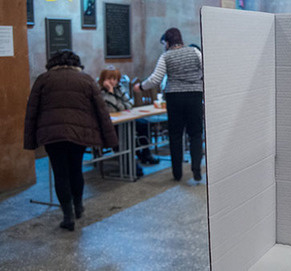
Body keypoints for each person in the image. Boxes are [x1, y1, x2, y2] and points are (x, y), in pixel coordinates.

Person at [24, 50, 118, 231]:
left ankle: (67, 215)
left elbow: (32, 111)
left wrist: (30, 139)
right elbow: (101, 111)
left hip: (52, 134)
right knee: (76, 169)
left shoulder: (43, 80)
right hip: (79, 134)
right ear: (77, 63)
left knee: (60, 173)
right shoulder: (86, 79)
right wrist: (110, 139)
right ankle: (79, 206)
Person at [134, 27, 203, 181]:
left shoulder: (166, 56)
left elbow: (156, 79)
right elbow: (205, 69)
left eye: (164, 42)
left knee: (176, 136)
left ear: (167, 41)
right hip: (194, 96)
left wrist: (141, 87)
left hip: (175, 98)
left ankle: (177, 173)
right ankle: (196, 169)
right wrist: (196, 80)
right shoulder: (195, 52)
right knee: (196, 134)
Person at [98, 68, 160, 171]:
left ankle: (145, 153)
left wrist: (121, 104)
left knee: (144, 124)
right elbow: (113, 109)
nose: (113, 82)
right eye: (110, 79)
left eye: (115, 79)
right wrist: (111, 92)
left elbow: (130, 104)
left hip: (126, 118)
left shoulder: (120, 88)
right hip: (112, 123)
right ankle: (129, 162)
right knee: (125, 133)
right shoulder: (101, 92)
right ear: (103, 79)